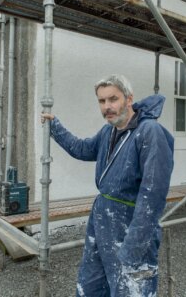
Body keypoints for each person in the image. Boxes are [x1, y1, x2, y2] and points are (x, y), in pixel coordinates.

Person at [41, 74, 174, 296]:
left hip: (131, 225)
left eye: (113, 99)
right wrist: (55, 126)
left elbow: (152, 197)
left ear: (129, 99)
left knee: (130, 289)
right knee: (91, 286)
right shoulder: (108, 131)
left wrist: (133, 249)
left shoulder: (150, 132)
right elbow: (83, 149)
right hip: (101, 221)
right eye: (102, 101)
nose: (107, 107)